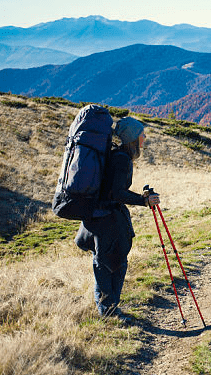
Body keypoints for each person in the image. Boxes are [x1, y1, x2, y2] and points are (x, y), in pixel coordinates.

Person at [75, 116, 160, 322]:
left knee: (106, 261)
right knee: (109, 264)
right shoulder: (122, 160)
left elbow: (113, 190)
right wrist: (144, 201)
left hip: (98, 218)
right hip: (107, 221)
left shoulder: (116, 156)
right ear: (132, 138)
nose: (144, 137)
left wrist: (142, 198)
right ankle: (109, 312)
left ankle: (109, 308)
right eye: (141, 135)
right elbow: (116, 193)